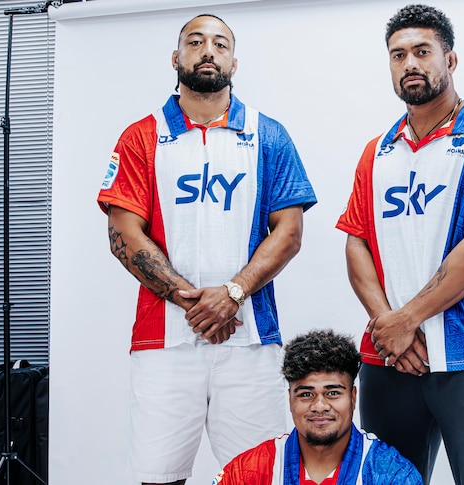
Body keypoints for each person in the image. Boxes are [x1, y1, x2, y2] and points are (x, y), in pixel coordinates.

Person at [97, 13, 316, 485]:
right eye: (195, 42)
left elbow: (290, 231)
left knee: (259, 475)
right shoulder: (141, 136)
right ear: (176, 58)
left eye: (220, 43)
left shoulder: (269, 134)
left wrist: (233, 293)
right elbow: (123, 236)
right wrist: (190, 301)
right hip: (164, 343)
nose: (208, 51)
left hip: (250, 340)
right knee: (159, 476)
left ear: (234, 62)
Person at [335, 4, 464, 484]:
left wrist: (407, 319)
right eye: (398, 55)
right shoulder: (377, 151)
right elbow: (357, 243)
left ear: (451, 60)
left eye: (422, 51)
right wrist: (388, 327)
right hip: (389, 359)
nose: (410, 64)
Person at [212, 329, 422, 485]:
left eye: (333, 393)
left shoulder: (392, 474)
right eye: (306, 394)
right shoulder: (249, 471)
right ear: (290, 400)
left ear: (353, 397)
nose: (319, 406)